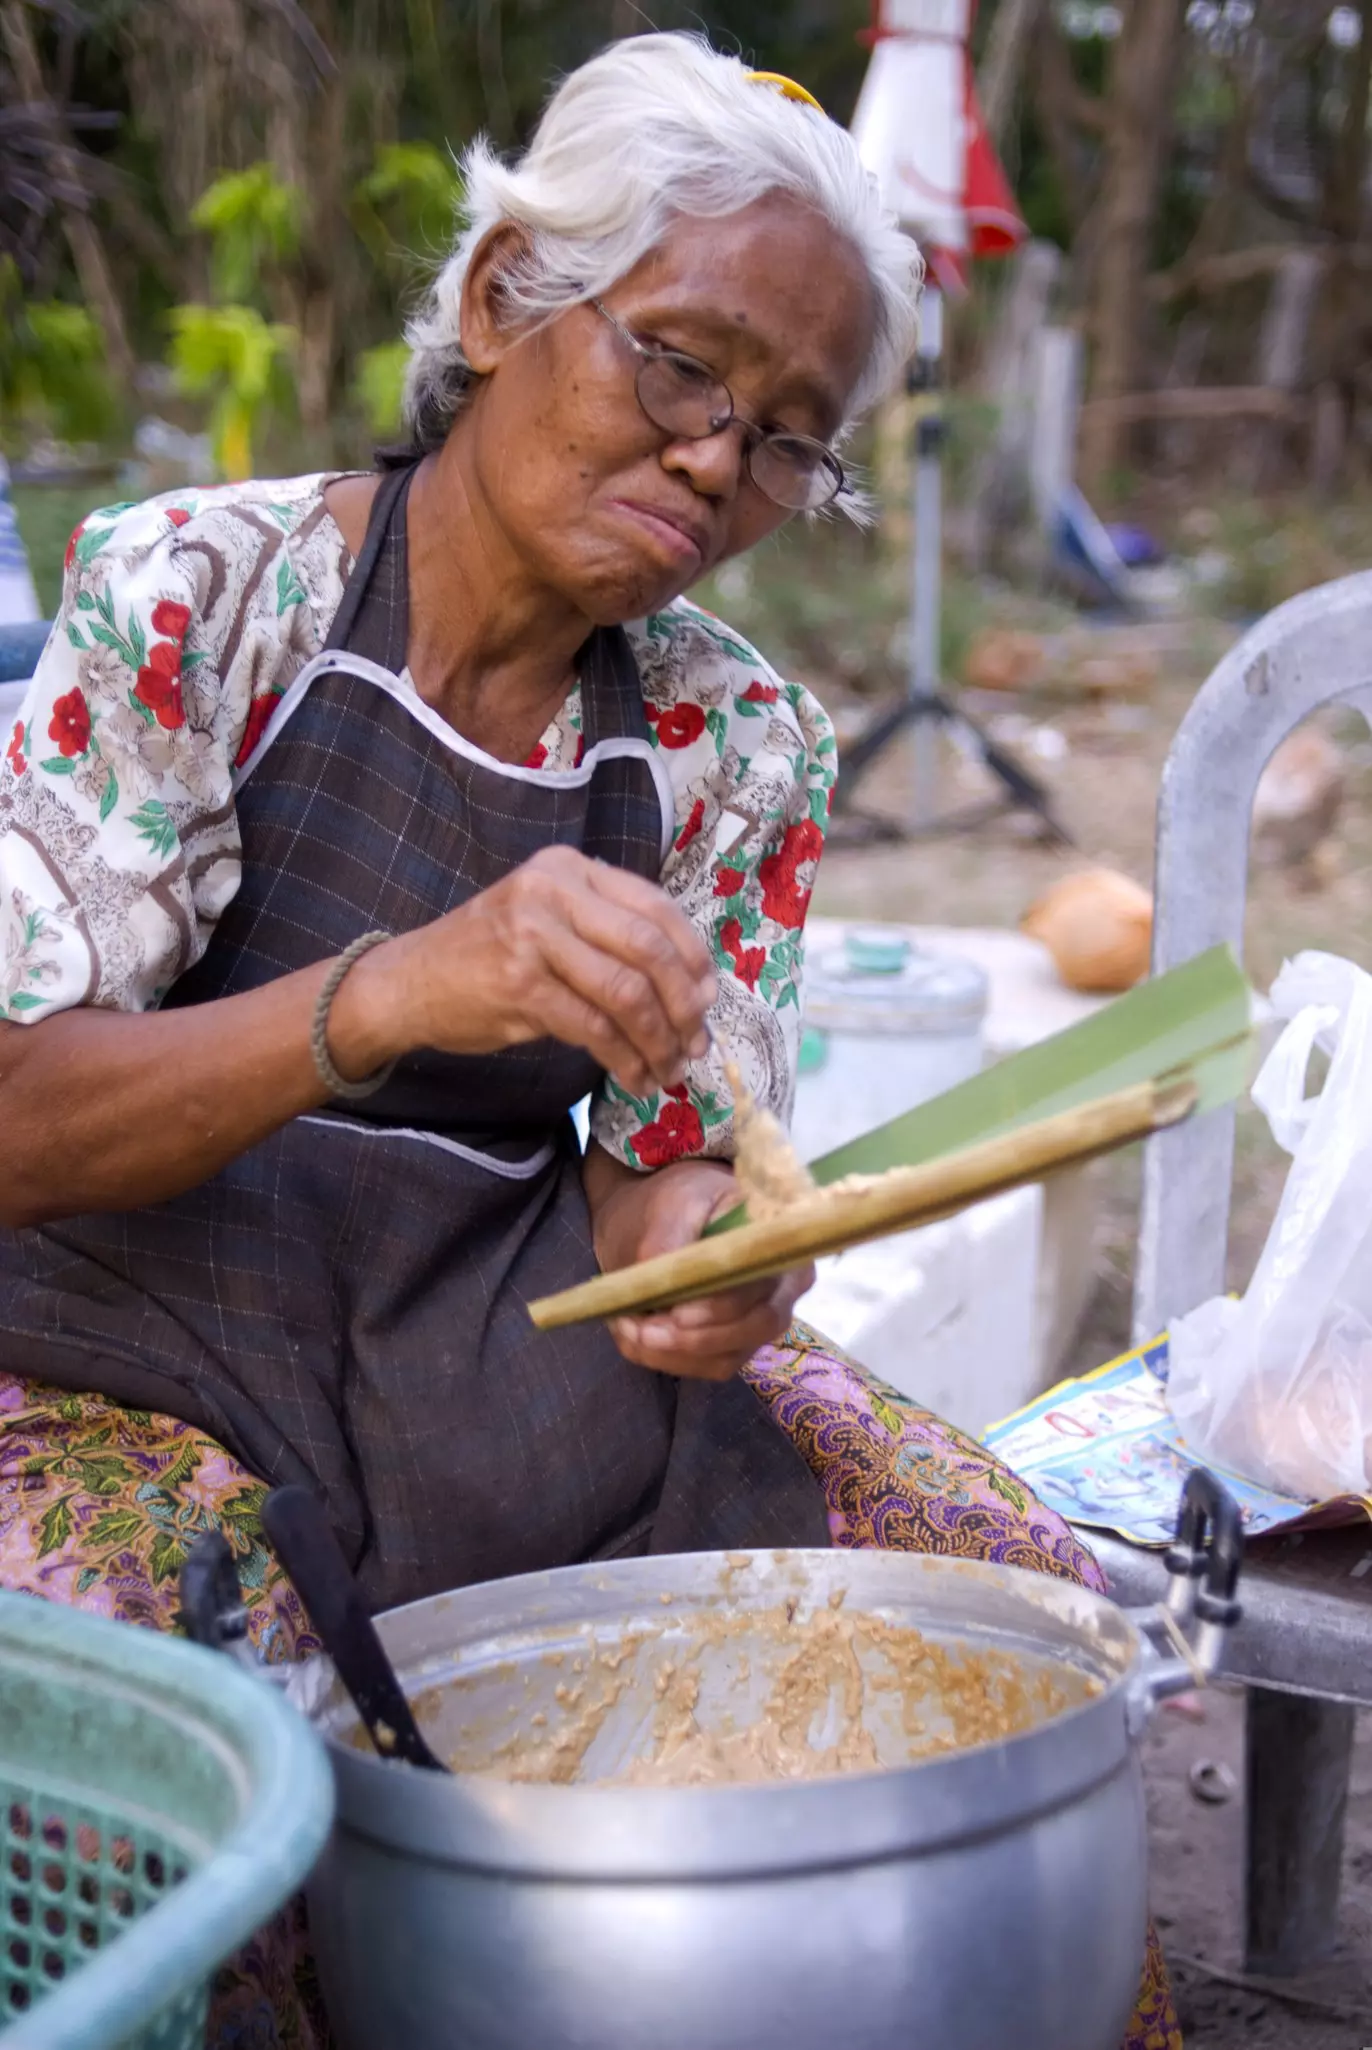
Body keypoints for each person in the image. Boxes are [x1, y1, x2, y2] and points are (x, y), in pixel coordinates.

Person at [0, 34, 1179, 2049]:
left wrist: (702, 1257)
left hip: (474, 1344)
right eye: (682, 363)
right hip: (121, 1338)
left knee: (996, 1595)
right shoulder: (206, 596)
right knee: (223, 1733)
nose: (724, 457)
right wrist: (379, 995)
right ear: (499, 301)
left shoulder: (730, 739)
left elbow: (665, 1159)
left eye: (791, 433)